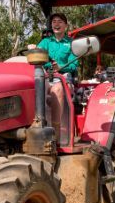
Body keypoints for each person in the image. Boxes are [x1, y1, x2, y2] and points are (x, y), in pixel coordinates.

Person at [29, 12, 78, 145]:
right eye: (54, 21)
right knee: (33, 88)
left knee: (56, 90)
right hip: (46, 76)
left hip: (63, 78)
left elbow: (74, 65)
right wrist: (33, 49)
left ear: (66, 26)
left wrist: (60, 67)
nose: (56, 24)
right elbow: (38, 54)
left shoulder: (71, 43)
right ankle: (35, 126)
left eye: (60, 22)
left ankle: (55, 134)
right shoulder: (46, 42)